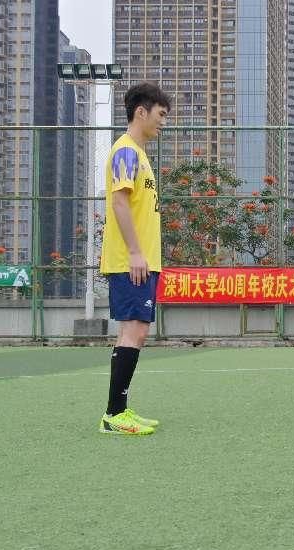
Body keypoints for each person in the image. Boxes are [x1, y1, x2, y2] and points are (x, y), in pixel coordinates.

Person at [98, 83, 170, 435]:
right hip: (131, 261)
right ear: (141, 112)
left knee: (136, 332)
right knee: (134, 331)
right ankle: (114, 414)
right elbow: (119, 202)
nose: (163, 122)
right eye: (161, 115)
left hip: (141, 261)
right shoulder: (126, 151)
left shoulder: (138, 154)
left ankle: (119, 409)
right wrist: (136, 253)